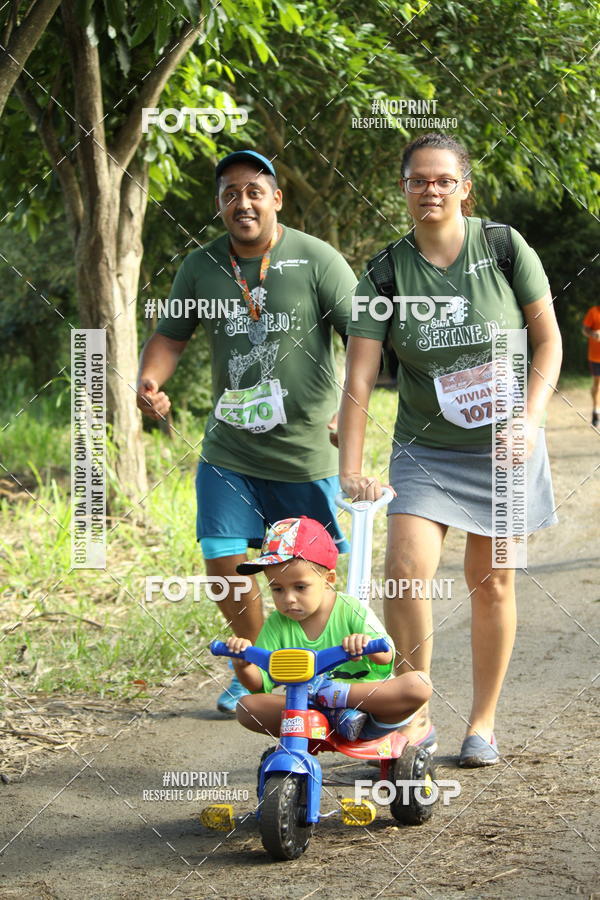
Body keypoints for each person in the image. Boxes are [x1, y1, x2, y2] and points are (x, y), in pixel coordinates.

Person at [338, 132, 562, 766]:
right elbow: (359, 377)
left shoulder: (505, 248)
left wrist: (530, 418)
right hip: (425, 450)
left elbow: (548, 343)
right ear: (404, 189)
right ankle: (416, 713)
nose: (430, 191)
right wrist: (349, 469)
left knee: (492, 585)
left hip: (507, 451)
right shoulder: (384, 270)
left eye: (443, 180)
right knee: (405, 573)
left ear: (465, 186)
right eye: (417, 181)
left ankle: (484, 723)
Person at [137, 150, 355, 714]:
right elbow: (170, 336)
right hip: (229, 450)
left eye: (254, 191)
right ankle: (253, 670)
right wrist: (150, 380)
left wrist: (346, 410)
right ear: (219, 206)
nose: (243, 202)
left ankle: (332, 671)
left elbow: (365, 338)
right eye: (230, 193)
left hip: (307, 453)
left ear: (276, 198)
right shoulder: (201, 266)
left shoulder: (316, 259)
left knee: (311, 571)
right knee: (225, 560)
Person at [226, 516, 432, 741]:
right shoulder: (278, 623)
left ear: (328, 580)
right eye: (277, 590)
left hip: (368, 710)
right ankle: (332, 713)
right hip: (307, 712)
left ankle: (335, 697)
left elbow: (386, 654)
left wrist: (364, 644)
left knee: (418, 685)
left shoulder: (349, 609)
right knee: (247, 707)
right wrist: (244, 664)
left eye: (300, 587)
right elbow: (260, 683)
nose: (289, 599)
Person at [581, 304, 600, 427]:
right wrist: (594, 334)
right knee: (597, 386)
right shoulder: (594, 311)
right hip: (595, 357)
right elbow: (585, 329)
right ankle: (596, 412)